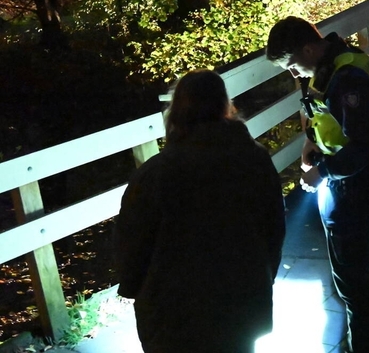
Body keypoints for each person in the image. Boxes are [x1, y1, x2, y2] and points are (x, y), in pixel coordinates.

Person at [116, 70, 285, 353]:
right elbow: (274, 228)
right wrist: (262, 277)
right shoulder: (255, 160)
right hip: (240, 304)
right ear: (225, 105)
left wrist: (133, 288)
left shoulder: (156, 173)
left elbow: (132, 241)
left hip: (173, 314)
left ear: (177, 109)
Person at [265, 16, 369, 353]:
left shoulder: (347, 78)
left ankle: (362, 345)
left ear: (307, 48)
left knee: (353, 279)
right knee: (347, 272)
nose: (293, 74)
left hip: (355, 184)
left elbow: (363, 146)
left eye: (292, 65)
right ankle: (356, 336)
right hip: (342, 180)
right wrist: (310, 145)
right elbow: (324, 117)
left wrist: (323, 172)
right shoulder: (329, 66)